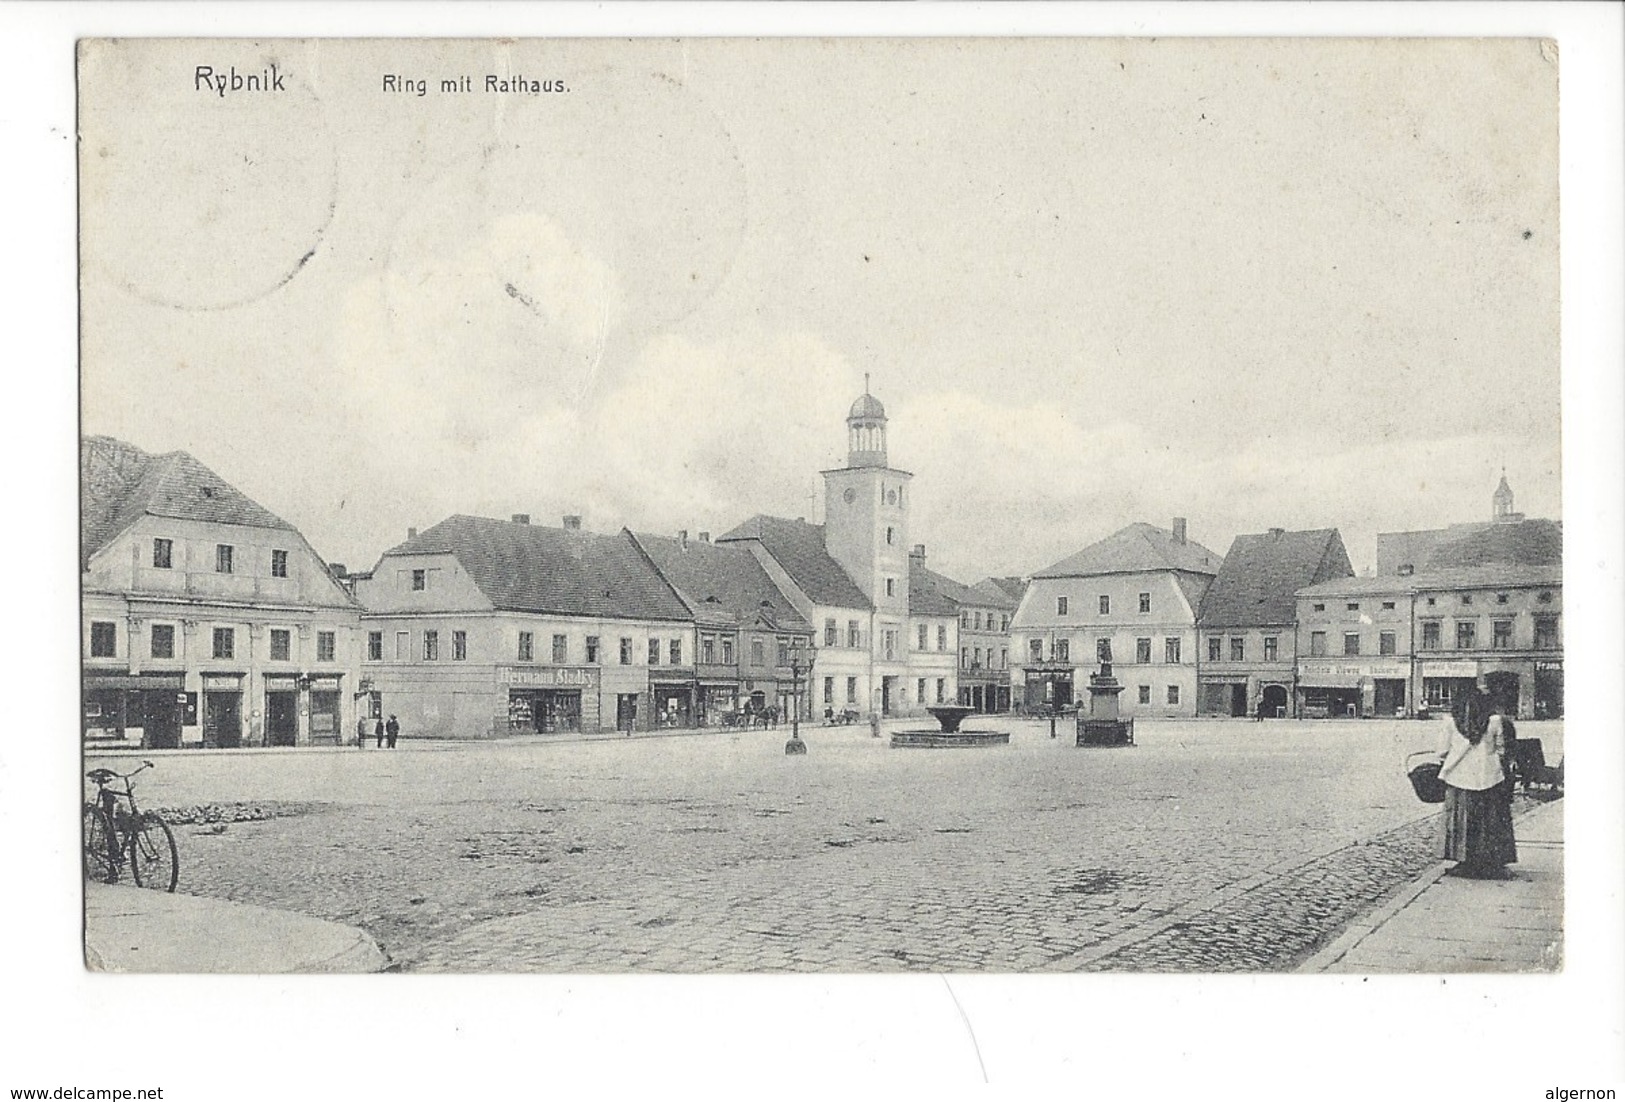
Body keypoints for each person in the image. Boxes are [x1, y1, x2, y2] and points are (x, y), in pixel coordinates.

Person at [1436, 686, 1518, 879]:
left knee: (1461, 821)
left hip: (1459, 777)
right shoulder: (1494, 721)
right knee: (1491, 821)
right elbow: (1501, 749)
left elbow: (1441, 751)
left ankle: (1464, 860)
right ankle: (1491, 862)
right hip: (1489, 777)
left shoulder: (1451, 723)